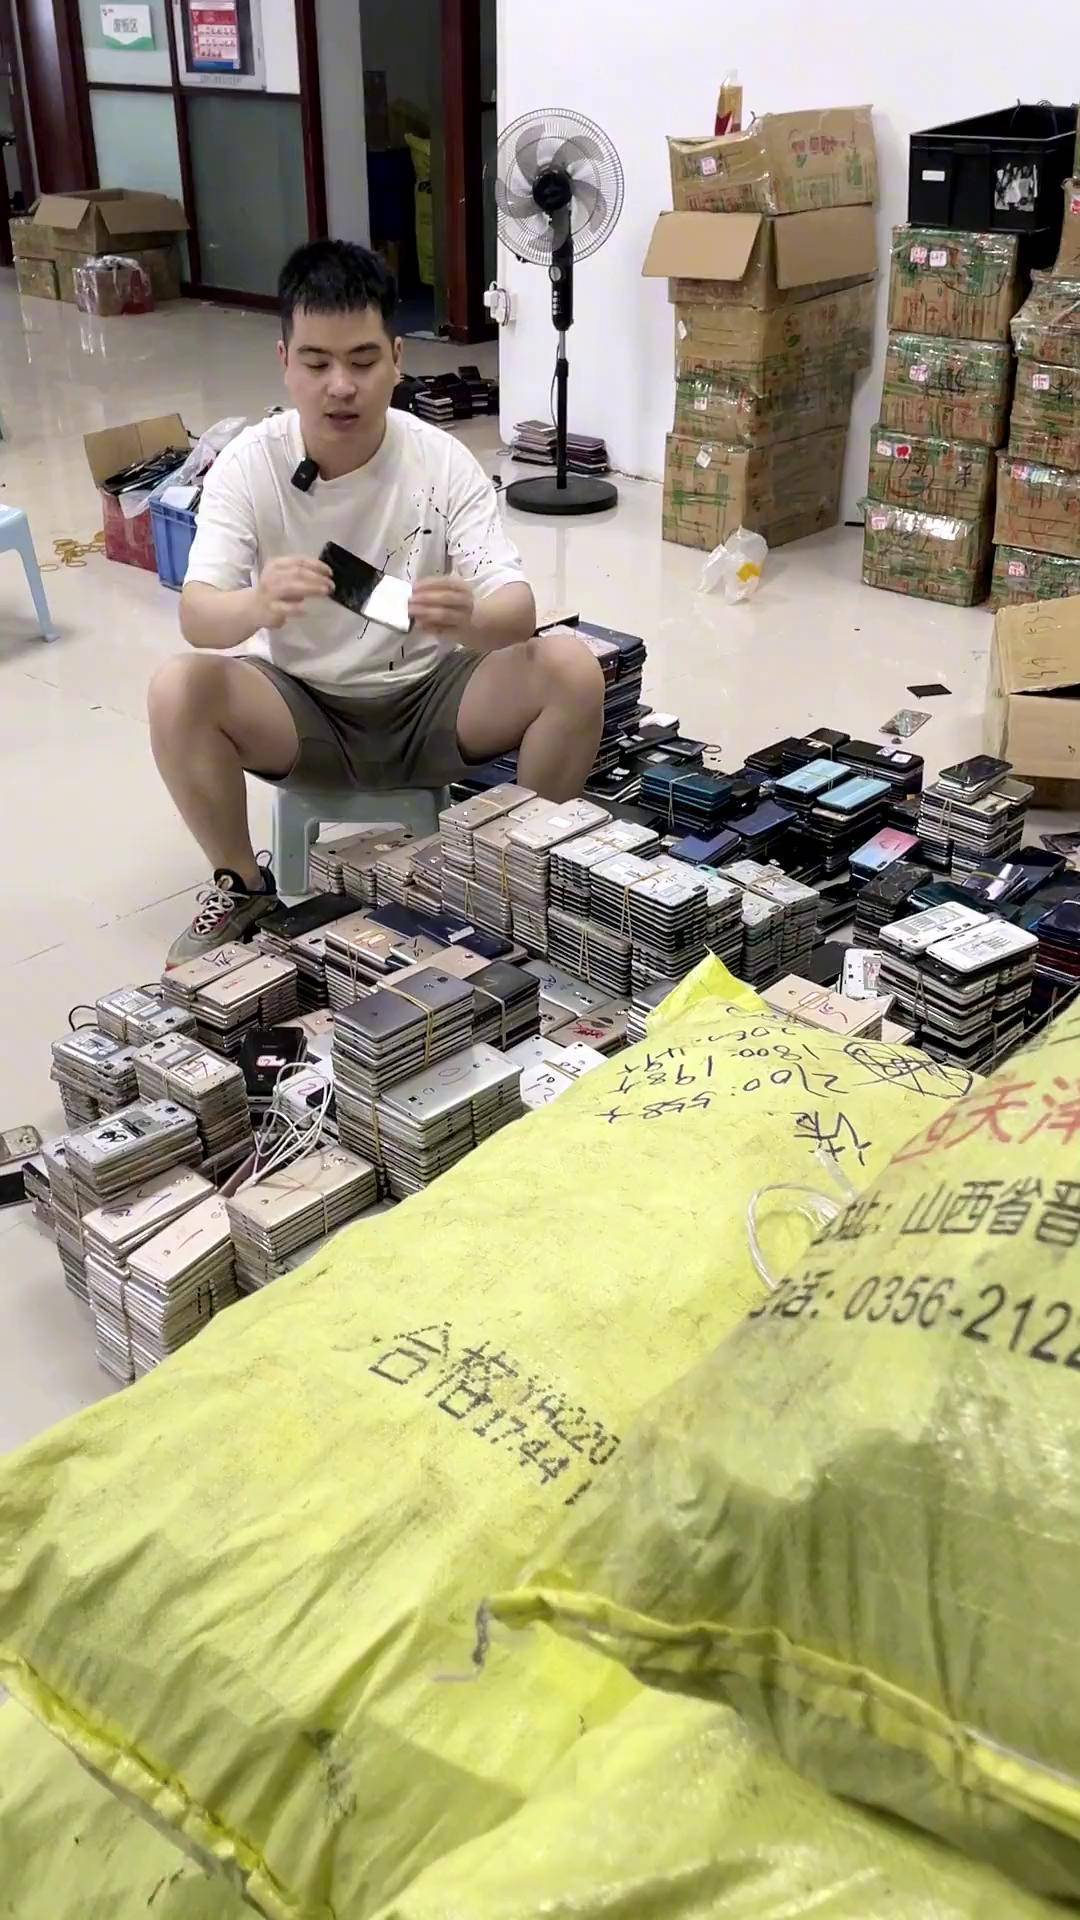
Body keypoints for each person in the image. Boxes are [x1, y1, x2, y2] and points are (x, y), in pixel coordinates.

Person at [149, 238, 605, 966]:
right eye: (317, 363)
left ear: (397, 358)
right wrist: (257, 603)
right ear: (284, 362)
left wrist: (470, 618)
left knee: (573, 671)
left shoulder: (441, 459)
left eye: (363, 362)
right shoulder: (250, 463)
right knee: (179, 687)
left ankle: (510, 879)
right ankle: (242, 886)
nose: (341, 386)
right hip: (302, 712)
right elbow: (198, 615)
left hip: (430, 700)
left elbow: (517, 610)